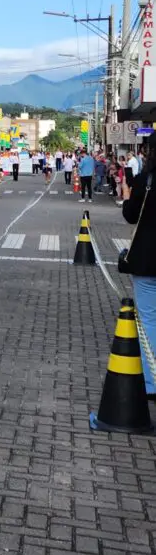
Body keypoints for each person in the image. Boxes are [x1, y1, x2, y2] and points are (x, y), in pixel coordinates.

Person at [122, 137, 156, 398]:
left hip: (148, 259)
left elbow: (131, 215)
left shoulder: (147, 179)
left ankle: (152, 381)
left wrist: (126, 192)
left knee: (148, 321)